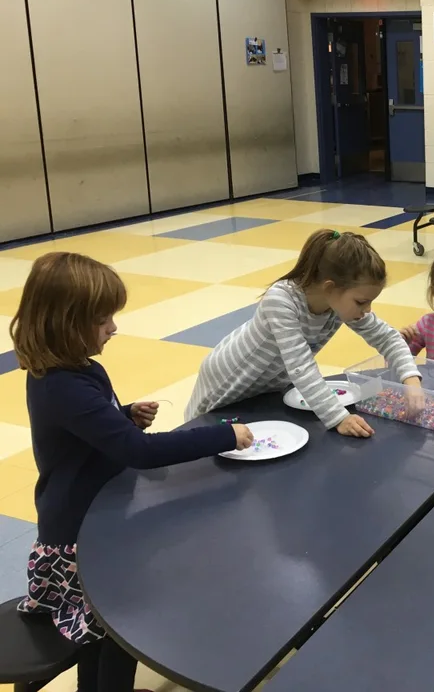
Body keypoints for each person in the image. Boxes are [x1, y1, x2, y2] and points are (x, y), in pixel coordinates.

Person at [10, 253, 253, 692]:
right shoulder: (62, 385)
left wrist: (121, 416)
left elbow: (84, 431)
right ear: (66, 323)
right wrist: (223, 435)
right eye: (103, 320)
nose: (114, 329)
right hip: (75, 539)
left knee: (104, 631)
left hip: (95, 516)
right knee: (115, 630)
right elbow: (139, 453)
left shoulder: (74, 371)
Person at [186, 230, 422, 439]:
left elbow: (387, 337)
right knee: (202, 436)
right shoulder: (281, 300)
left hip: (268, 386)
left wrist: (411, 380)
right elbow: (301, 367)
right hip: (228, 382)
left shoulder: (337, 304)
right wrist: (338, 418)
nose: (367, 310)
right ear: (330, 287)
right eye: (362, 301)